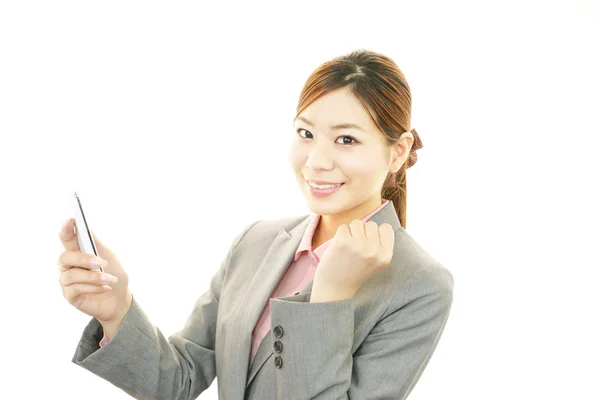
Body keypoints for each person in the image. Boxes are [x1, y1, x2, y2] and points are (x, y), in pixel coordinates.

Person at [57, 49, 454, 400]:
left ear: (398, 152)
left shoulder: (419, 285)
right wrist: (116, 310)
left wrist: (331, 295)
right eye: (306, 133)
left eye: (346, 140)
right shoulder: (257, 241)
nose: (316, 160)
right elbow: (177, 381)